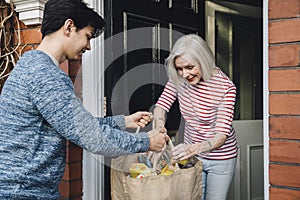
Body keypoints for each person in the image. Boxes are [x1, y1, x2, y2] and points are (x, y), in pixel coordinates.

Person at [0, 0, 168, 199]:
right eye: (87, 36)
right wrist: (146, 141)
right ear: (69, 27)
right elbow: (91, 137)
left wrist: (124, 121)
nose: (88, 46)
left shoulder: (33, 64)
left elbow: (74, 125)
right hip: (25, 193)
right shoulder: (44, 74)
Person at [153, 34, 238, 200]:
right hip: (192, 157)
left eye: (190, 67)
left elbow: (221, 136)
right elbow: (161, 107)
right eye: (179, 68)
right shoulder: (178, 79)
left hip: (221, 158)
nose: (184, 74)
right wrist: (159, 131)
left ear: (204, 60)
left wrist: (192, 148)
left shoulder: (225, 88)